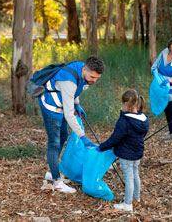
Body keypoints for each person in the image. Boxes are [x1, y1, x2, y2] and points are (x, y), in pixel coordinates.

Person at [39, 55, 105, 193]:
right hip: (51, 106)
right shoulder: (68, 82)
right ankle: (57, 181)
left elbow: (77, 88)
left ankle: (53, 170)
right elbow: (69, 114)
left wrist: (77, 104)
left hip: (63, 103)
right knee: (54, 142)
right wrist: (82, 137)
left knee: (63, 135)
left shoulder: (81, 68)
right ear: (85, 69)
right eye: (92, 77)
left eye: (97, 78)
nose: (94, 80)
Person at [96, 90, 149, 212]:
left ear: (125, 103)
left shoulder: (124, 121)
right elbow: (143, 134)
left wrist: (102, 147)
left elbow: (115, 138)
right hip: (137, 152)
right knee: (135, 174)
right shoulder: (144, 119)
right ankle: (137, 197)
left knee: (129, 177)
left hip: (126, 154)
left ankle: (128, 203)